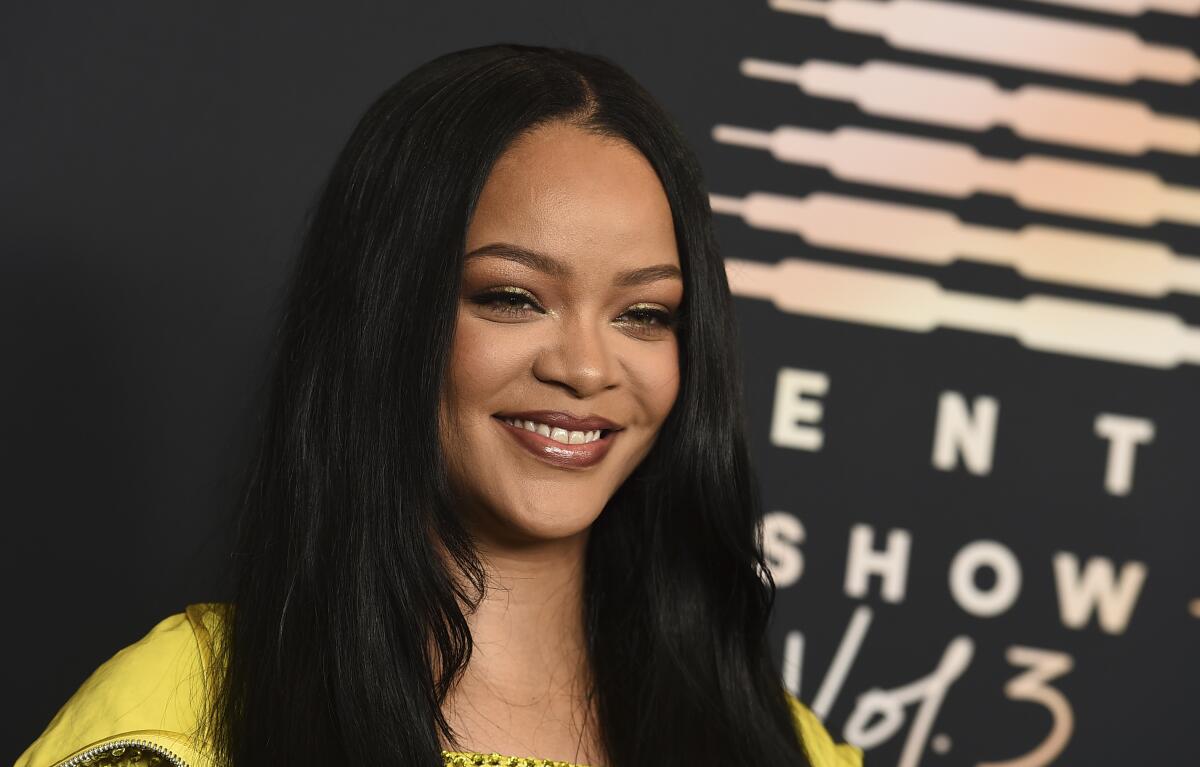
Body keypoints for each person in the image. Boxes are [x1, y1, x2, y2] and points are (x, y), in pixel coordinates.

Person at [15, 44, 863, 767]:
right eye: (512, 296)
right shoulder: (184, 713)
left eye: (644, 313)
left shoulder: (775, 738)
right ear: (385, 313)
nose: (586, 367)